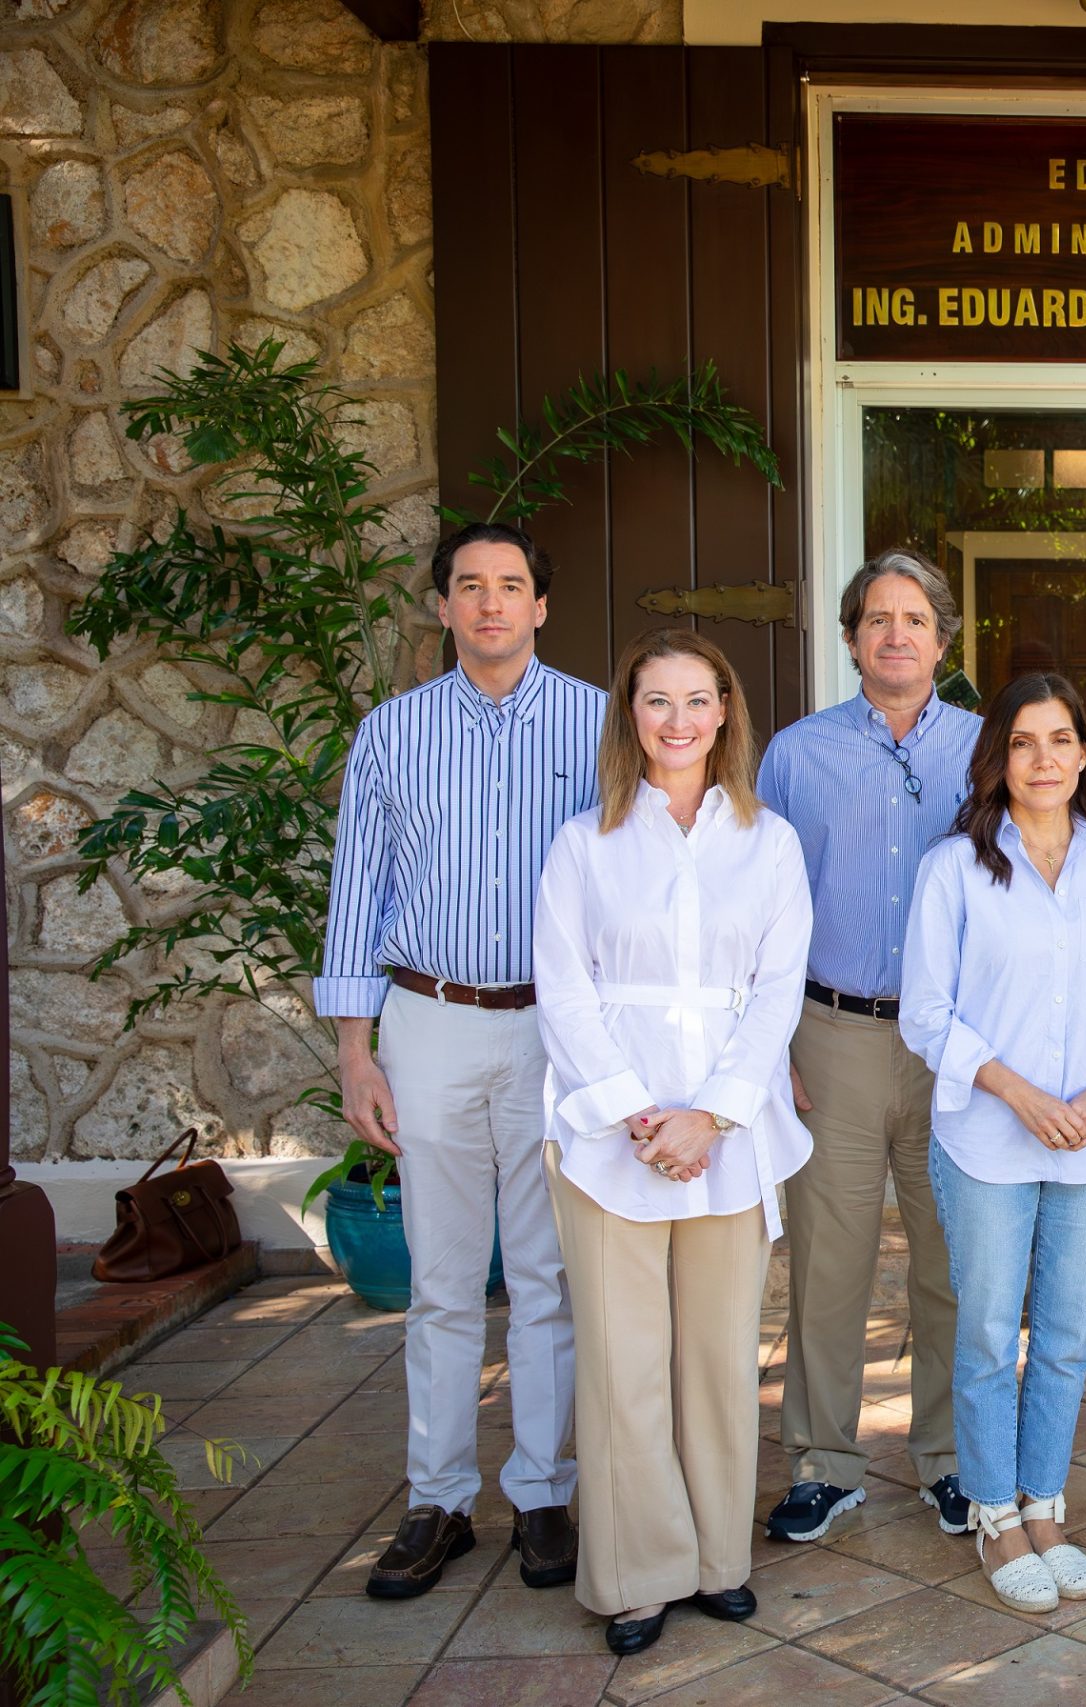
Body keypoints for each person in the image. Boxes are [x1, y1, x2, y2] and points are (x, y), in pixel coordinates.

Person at [317, 521, 600, 1600]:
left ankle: (542, 1493)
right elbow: (358, 892)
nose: (490, 603)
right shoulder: (392, 733)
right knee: (439, 1280)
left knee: (543, 1274)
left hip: (550, 1028)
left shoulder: (600, 723)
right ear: (442, 607)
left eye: (510, 585)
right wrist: (356, 1052)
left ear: (540, 606)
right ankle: (436, 1497)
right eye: (469, 586)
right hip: (426, 1017)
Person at [530, 629, 813, 1655]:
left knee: (717, 1357)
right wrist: (635, 1113)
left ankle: (716, 1559)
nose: (679, 720)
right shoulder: (585, 843)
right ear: (631, 715)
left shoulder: (768, 842)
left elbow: (777, 991)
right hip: (611, 1135)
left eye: (698, 700)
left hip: (728, 1133)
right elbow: (563, 987)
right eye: (658, 701)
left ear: (726, 711)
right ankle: (639, 1573)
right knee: (625, 1361)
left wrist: (713, 1114)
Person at [900, 673, 1086, 1614]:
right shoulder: (955, 869)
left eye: (1060, 740)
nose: (1044, 759)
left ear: (1085, 753)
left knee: (1062, 1337)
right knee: (985, 1334)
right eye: (1023, 742)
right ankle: (992, 1511)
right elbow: (926, 1012)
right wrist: (1016, 1091)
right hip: (987, 1138)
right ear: (998, 758)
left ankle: (1044, 1504)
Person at [757, 552, 980, 1544]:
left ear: (944, 638)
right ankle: (823, 1463)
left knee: (953, 1261)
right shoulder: (795, 755)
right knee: (828, 1261)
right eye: (877, 618)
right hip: (831, 1034)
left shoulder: (986, 748)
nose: (896, 634)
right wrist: (772, 1044)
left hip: (952, 1046)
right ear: (850, 638)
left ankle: (952, 1458)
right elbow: (758, 907)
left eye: (915, 618)